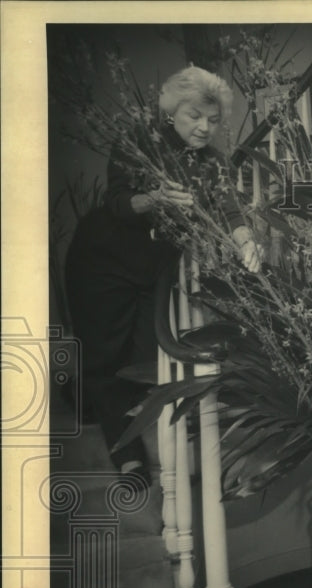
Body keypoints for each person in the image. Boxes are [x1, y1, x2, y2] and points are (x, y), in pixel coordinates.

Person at [65, 65, 262, 484]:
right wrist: (154, 198)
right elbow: (117, 203)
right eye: (195, 116)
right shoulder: (140, 141)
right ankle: (130, 459)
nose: (205, 127)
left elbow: (231, 210)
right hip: (101, 260)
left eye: (213, 119)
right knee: (104, 357)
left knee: (141, 358)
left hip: (150, 271)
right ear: (172, 111)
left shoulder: (215, 163)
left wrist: (245, 239)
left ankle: (85, 398)